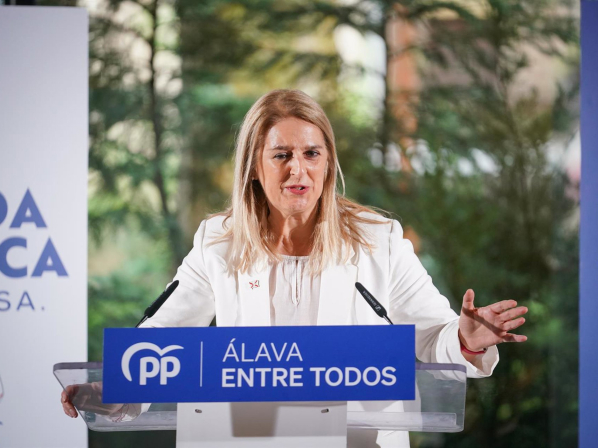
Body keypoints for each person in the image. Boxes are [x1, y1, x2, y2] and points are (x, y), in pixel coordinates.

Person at [62, 89, 527, 446]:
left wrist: (466, 338)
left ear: (328, 163)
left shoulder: (378, 241)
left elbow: (434, 337)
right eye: (281, 155)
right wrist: (115, 389)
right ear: (253, 166)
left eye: (311, 154)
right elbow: (161, 341)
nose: (297, 170)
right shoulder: (218, 243)